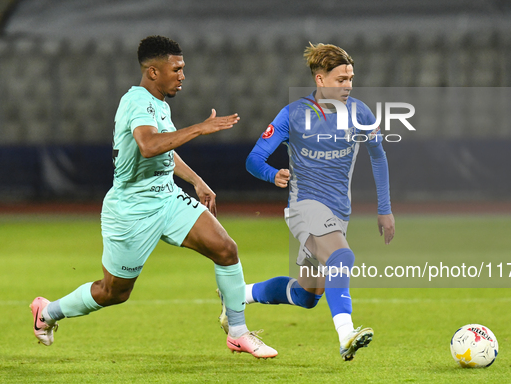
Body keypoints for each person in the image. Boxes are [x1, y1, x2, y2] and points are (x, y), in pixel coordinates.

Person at [30, 35, 277, 359]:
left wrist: (197, 181)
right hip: (132, 209)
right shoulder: (136, 102)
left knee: (226, 249)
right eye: (176, 69)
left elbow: (164, 150)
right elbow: (148, 145)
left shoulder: (159, 104)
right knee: (114, 292)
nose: (182, 76)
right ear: (152, 72)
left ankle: (238, 331)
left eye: (183, 68)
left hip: (167, 198)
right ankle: (47, 313)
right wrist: (199, 129)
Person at [239, 43, 395, 361]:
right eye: (341, 79)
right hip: (304, 208)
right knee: (342, 256)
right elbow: (254, 159)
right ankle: (346, 334)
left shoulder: (361, 113)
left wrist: (384, 208)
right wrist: (272, 175)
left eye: (351, 78)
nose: (348, 85)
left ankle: (239, 295)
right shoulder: (293, 114)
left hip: (338, 212)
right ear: (320, 80)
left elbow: (378, 156)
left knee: (306, 295)